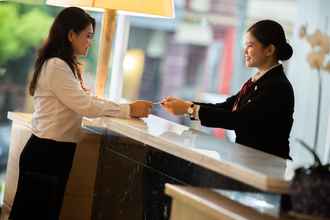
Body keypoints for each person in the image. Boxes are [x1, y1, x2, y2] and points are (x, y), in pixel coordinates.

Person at [9, 7, 152, 220]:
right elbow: (85, 106)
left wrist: (126, 107)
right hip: (47, 153)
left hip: (53, 152)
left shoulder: (62, 65)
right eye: (87, 36)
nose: (89, 42)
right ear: (71, 35)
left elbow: (85, 101)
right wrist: (129, 109)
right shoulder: (57, 65)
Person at [161, 20, 294, 160]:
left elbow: (238, 119)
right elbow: (227, 107)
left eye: (250, 45)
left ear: (269, 50)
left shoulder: (277, 86)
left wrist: (189, 109)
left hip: (265, 166)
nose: (245, 51)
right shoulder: (258, 80)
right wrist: (187, 106)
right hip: (248, 160)